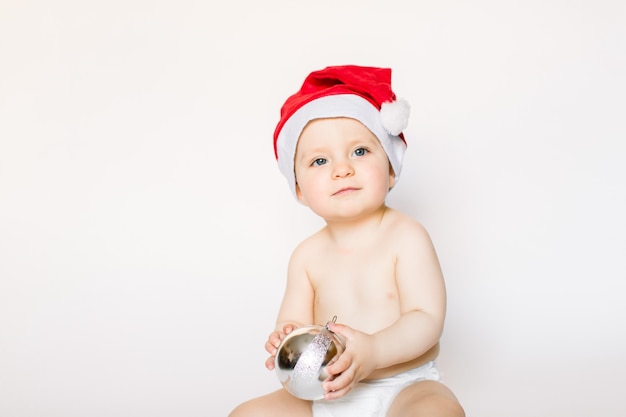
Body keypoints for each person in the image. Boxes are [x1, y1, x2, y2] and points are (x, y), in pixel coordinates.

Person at [229, 65, 465, 417]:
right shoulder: (306, 256)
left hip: (402, 386)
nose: (342, 169)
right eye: (320, 160)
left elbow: (427, 318)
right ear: (299, 190)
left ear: (390, 169)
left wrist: (373, 351)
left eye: (359, 152)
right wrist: (286, 339)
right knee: (247, 414)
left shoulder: (406, 236)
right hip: (325, 392)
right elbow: (294, 323)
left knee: (437, 411)